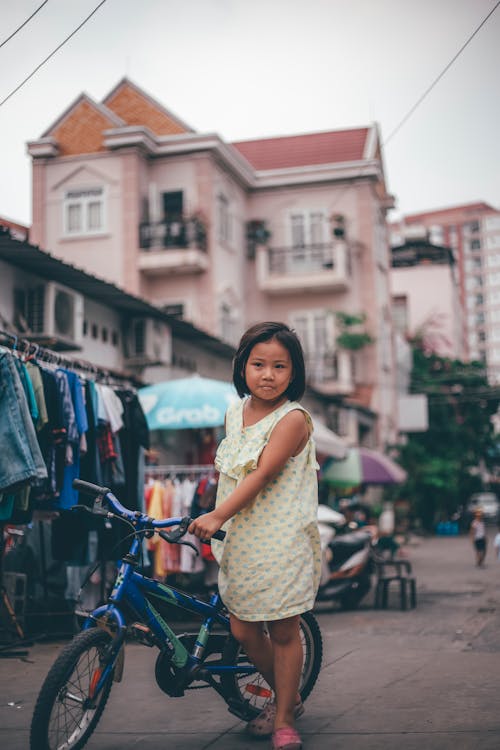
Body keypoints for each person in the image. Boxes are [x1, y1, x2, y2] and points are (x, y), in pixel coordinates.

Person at [189, 322, 321, 750]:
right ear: (242, 367)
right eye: (258, 364)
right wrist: (216, 513)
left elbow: (262, 475)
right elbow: (232, 473)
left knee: (283, 631)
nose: (268, 374)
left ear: (293, 372)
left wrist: (216, 514)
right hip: (241, 538)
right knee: (244, 632)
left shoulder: (293, 419)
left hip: (282, 538)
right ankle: (291, 695)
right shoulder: (235, 411)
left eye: (279, 366)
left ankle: (284, 717)